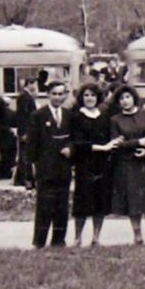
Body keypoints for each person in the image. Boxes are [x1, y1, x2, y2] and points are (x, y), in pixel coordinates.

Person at [27, 81, 75, 249]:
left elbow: (74, 138)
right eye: (54, 93)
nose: (57, 97)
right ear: (48, 94)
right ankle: (39, 241)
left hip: (63, 167)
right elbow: (31, 145)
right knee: (44, 206)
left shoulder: (69, 115)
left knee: (62, 206)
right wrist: (32, 169)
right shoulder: (38, 115)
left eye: (61, 94)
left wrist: (70, 149)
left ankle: (59, 240)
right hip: (45, 168)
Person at [109, 85, 145, 244]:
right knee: (133, 200)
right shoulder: (115, 120)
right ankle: (137, 234)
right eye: (121, 99)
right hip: (127, 163)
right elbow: (116, 143)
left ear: (134, 98)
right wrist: (138, 142)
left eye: (127, 97)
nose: (125, 101)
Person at [69, 83, 113, 245]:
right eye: (86, 95)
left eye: (93, 95)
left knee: (100, 201)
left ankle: (96, 237)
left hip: (102, 164)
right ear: (81, 98)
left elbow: (109, 137)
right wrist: (103, 147)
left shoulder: (104, 116)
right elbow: (78, 143)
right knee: (82, 202)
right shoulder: (76, 116)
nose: (89, 98)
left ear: (98, 97)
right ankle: (77, 237)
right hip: (85, 163)